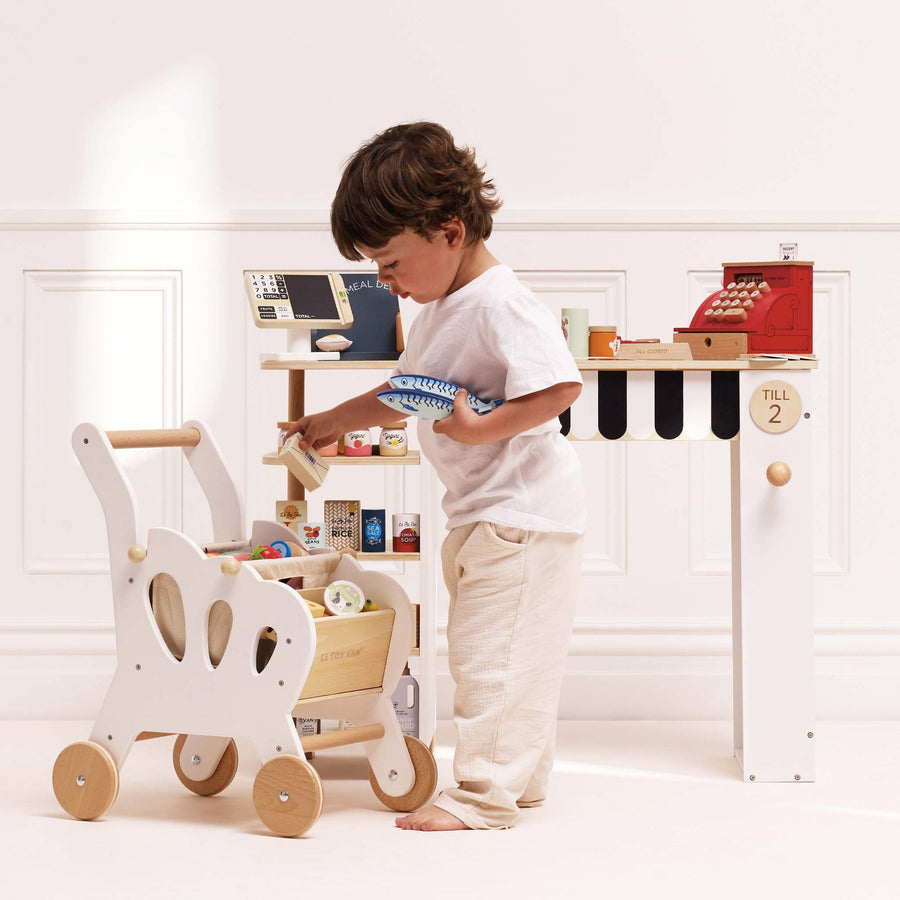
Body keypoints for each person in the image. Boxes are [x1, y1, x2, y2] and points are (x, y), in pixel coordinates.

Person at [286, 122, 586, 830]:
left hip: (521, 513)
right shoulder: (442, 308)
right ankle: (521, 781)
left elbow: (560, 387)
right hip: (483, 513)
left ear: (451, 231)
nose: (385, 283)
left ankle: (482, 797)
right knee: (509, 654)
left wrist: (484, 428)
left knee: (492, 660)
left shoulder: (499, 302)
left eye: (390, 264)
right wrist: (334, 418)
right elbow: (406, 394)